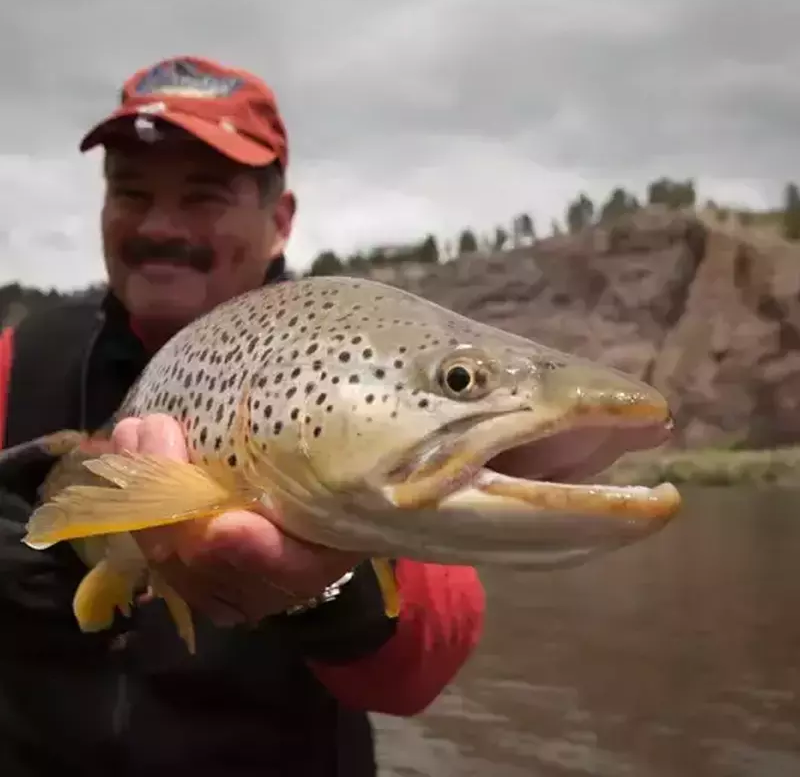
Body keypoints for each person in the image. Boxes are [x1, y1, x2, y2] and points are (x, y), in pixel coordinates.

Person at [0, 55, 485, 777]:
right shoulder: (23, 356)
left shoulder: (352, 356)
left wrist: (335, 592)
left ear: (280, 221)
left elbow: (425, 661)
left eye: (204, 198)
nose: (160, 226)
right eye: (131, 193)